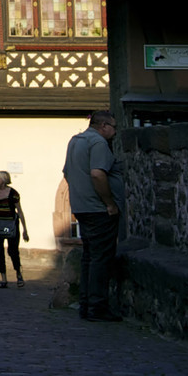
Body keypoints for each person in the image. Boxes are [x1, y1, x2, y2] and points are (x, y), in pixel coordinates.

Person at [64, 109, 124, 321]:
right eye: (114, 127)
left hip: (81, 207)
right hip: (98, 209)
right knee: (101, 258)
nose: (115, 132)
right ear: (103, 126)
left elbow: (67, 173)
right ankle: (97, 307)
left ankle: (86, 304)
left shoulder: (75, 141)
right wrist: (109, 203)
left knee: (89, 256)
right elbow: (98, 174)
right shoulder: (98, 143)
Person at [0, 170, 29, 288]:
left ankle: (18, 273)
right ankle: (3, 278)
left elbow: (20, 211)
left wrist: (25, 229)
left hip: (11, 225)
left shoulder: (13, 193)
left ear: (3, 179)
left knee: (13, 250)